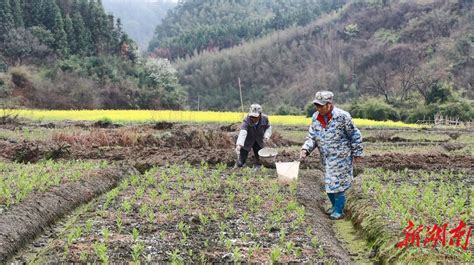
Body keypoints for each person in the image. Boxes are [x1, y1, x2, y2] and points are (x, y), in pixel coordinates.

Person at [299, 91, 363, 220]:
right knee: (328, 183)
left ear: (329, 104)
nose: (318, 108)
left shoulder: (343, 116)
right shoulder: (315, 117)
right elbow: (312, 136)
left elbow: (355, 135)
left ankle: (339, 211)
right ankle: (335, 206)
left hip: (341, 156)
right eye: (316, 105)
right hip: (326, 157)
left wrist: (357, 152)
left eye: (320, 105)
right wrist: (305, 149)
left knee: (337, 183)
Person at [235, 104, 272, 168]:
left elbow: (268, 127)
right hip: (248, 140)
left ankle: (258, 166)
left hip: (259, 140)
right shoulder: (246, 120)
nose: (253, 118)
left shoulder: (265, 118)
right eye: (252, 116)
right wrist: (239, 144)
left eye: (255, 117)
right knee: (241, 159)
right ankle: (240, 164)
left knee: (259, 156)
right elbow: (243, 132)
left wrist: (266, 136)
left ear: (260, 114)